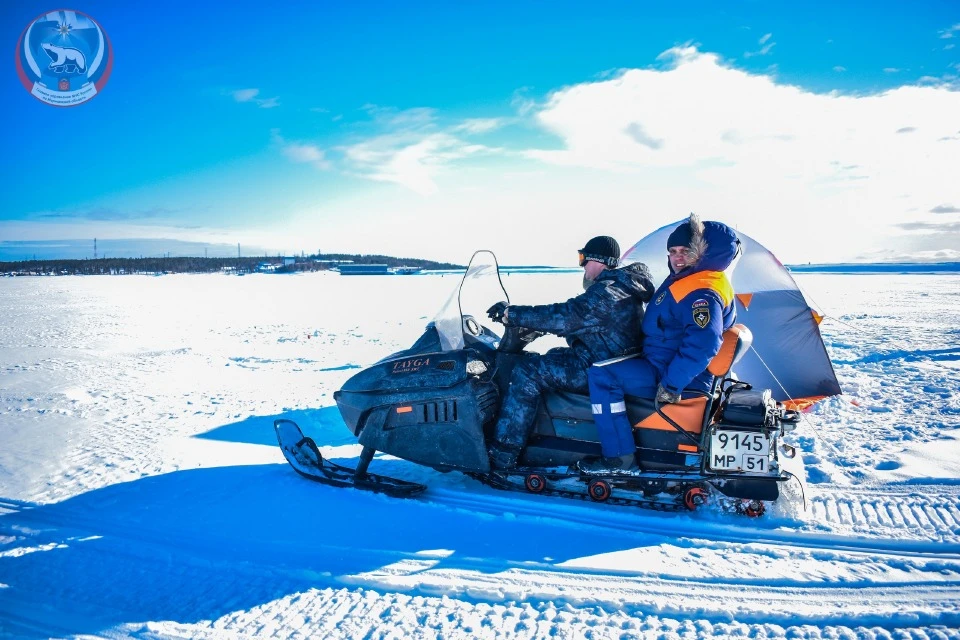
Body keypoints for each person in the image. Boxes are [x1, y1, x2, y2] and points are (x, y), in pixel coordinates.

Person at [582, 214, 741, 474]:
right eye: (672, 251)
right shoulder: (693, 279)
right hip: (664, 364)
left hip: (676, 377)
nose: (677, 257)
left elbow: (704, 342)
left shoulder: (702, 292)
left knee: (601, 374)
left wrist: (671, 385)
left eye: (685, 251)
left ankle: (618, 458)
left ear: (700, 253)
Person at [485, 236, 654, 470]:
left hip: (599, 367)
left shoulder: (607, 292)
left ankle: (504, 452)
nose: (582, 266)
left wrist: (511, 314)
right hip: (606, 358)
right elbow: (584, 323)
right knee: (549, 356)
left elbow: (567, 315)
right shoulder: (622, 287)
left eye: (583, 258)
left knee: (527, 371)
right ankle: (543, 434)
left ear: (599, 260)